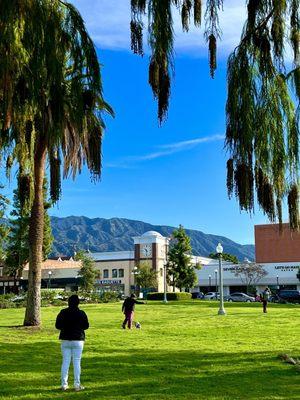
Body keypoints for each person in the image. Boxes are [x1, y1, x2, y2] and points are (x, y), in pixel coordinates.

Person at [55, 294, 89, 391]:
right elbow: (86, 326)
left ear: (68, 302)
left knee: (65, 362)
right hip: (78, 339)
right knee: (77, 362)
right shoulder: (81, 313)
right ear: (78, 303)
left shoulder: (63, 312)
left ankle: (64, 385)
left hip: (65, 339)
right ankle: (77, 385)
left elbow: (57, 325)